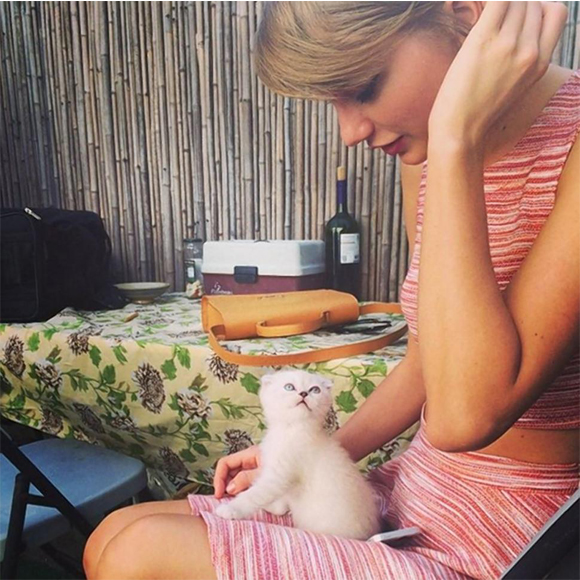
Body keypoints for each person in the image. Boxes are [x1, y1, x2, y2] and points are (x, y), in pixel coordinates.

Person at [83, 2, 579, 579]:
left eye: (365, 88)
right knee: (112, 535)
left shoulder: (457, 143)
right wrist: (317, 452)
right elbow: (429, 360)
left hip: (515, 533)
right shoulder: (427, 148)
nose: (351, 132)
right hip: (418, 486)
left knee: (140, 556)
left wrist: (455, 145)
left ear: (466, 14)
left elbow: (462, 416)